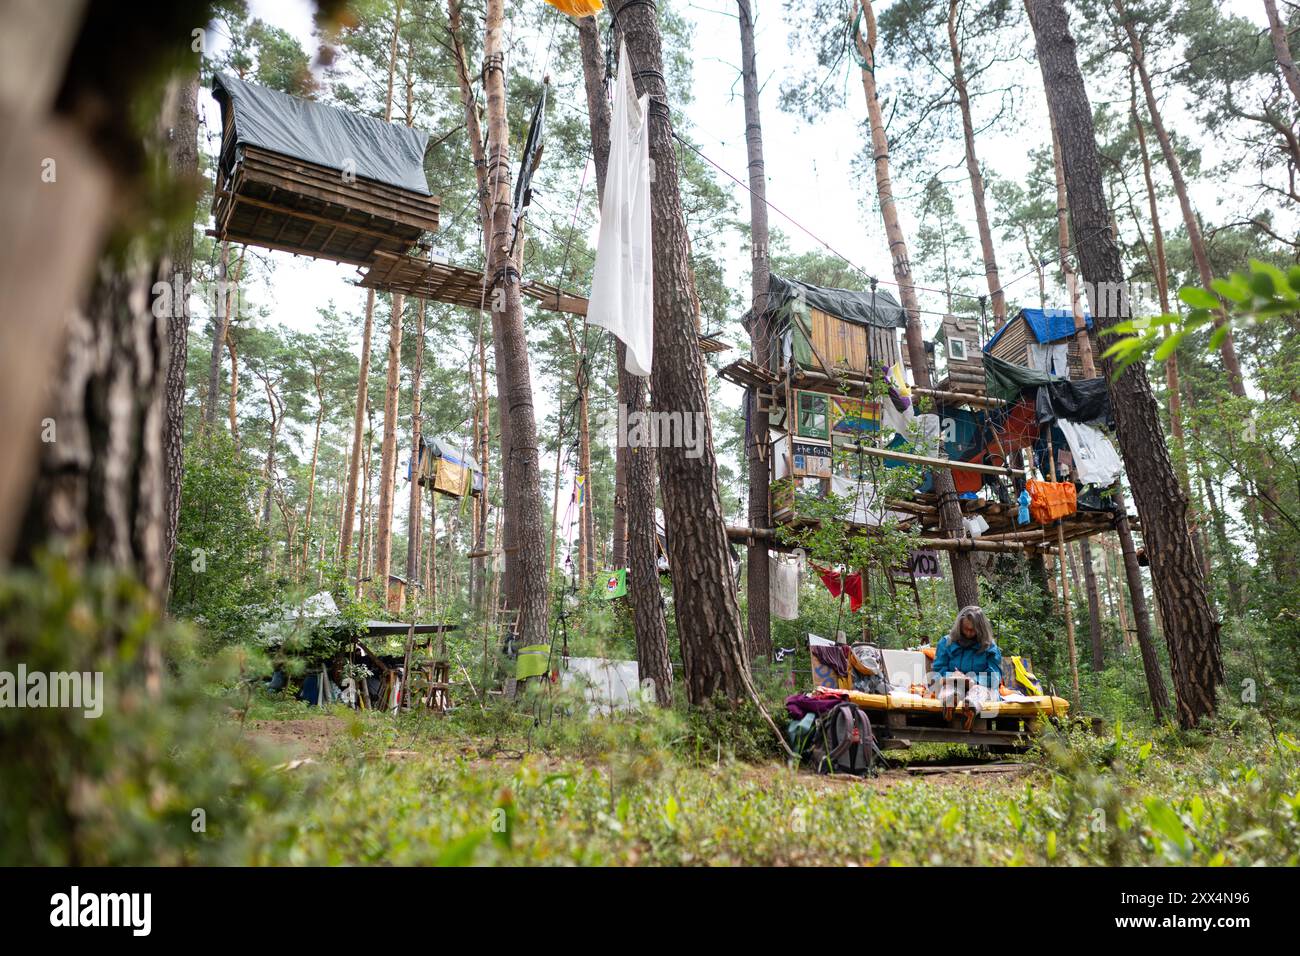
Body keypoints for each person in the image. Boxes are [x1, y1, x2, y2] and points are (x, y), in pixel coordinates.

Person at [930, 606, 1003, 728]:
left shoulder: (990, 647)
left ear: (981, 629)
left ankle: (970, 707)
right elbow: (937, 672)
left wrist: (972, 681)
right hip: (953, 683)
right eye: (965, 629)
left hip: (981, 687)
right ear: (959, 626)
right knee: (950, 688)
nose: (969, 633)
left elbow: (995, 677)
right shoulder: (946, 643)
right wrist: (951, 677)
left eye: (973, 630)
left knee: (978, 691)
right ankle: (949, 702)